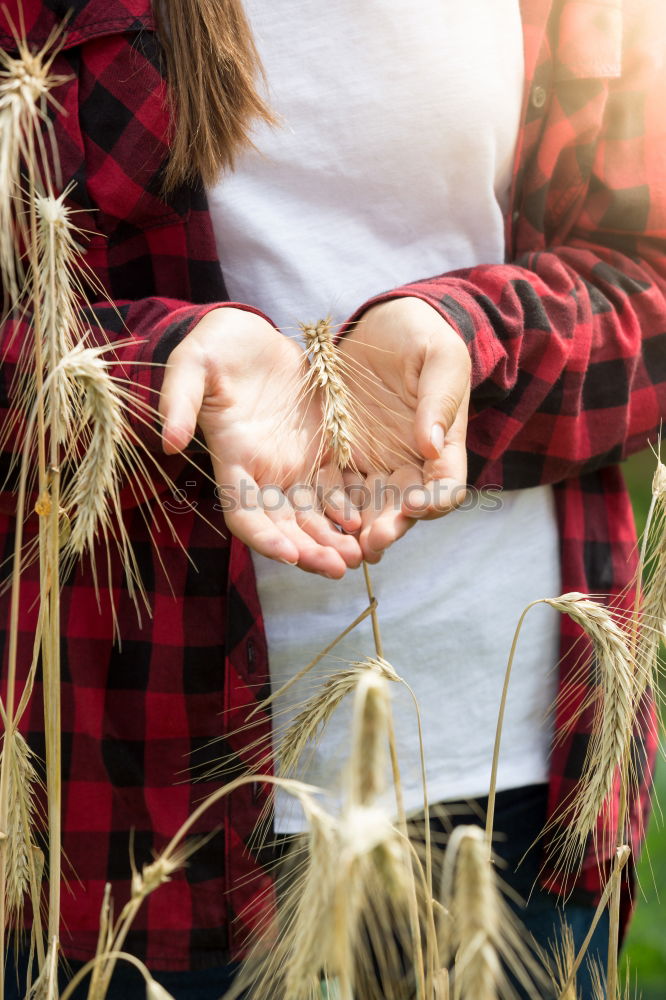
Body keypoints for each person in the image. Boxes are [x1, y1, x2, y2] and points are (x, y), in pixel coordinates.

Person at [1, 1, 664, 998]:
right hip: (136, 809)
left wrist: (465, 336)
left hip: (515, 778)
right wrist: (155, 369)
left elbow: (645, 274)